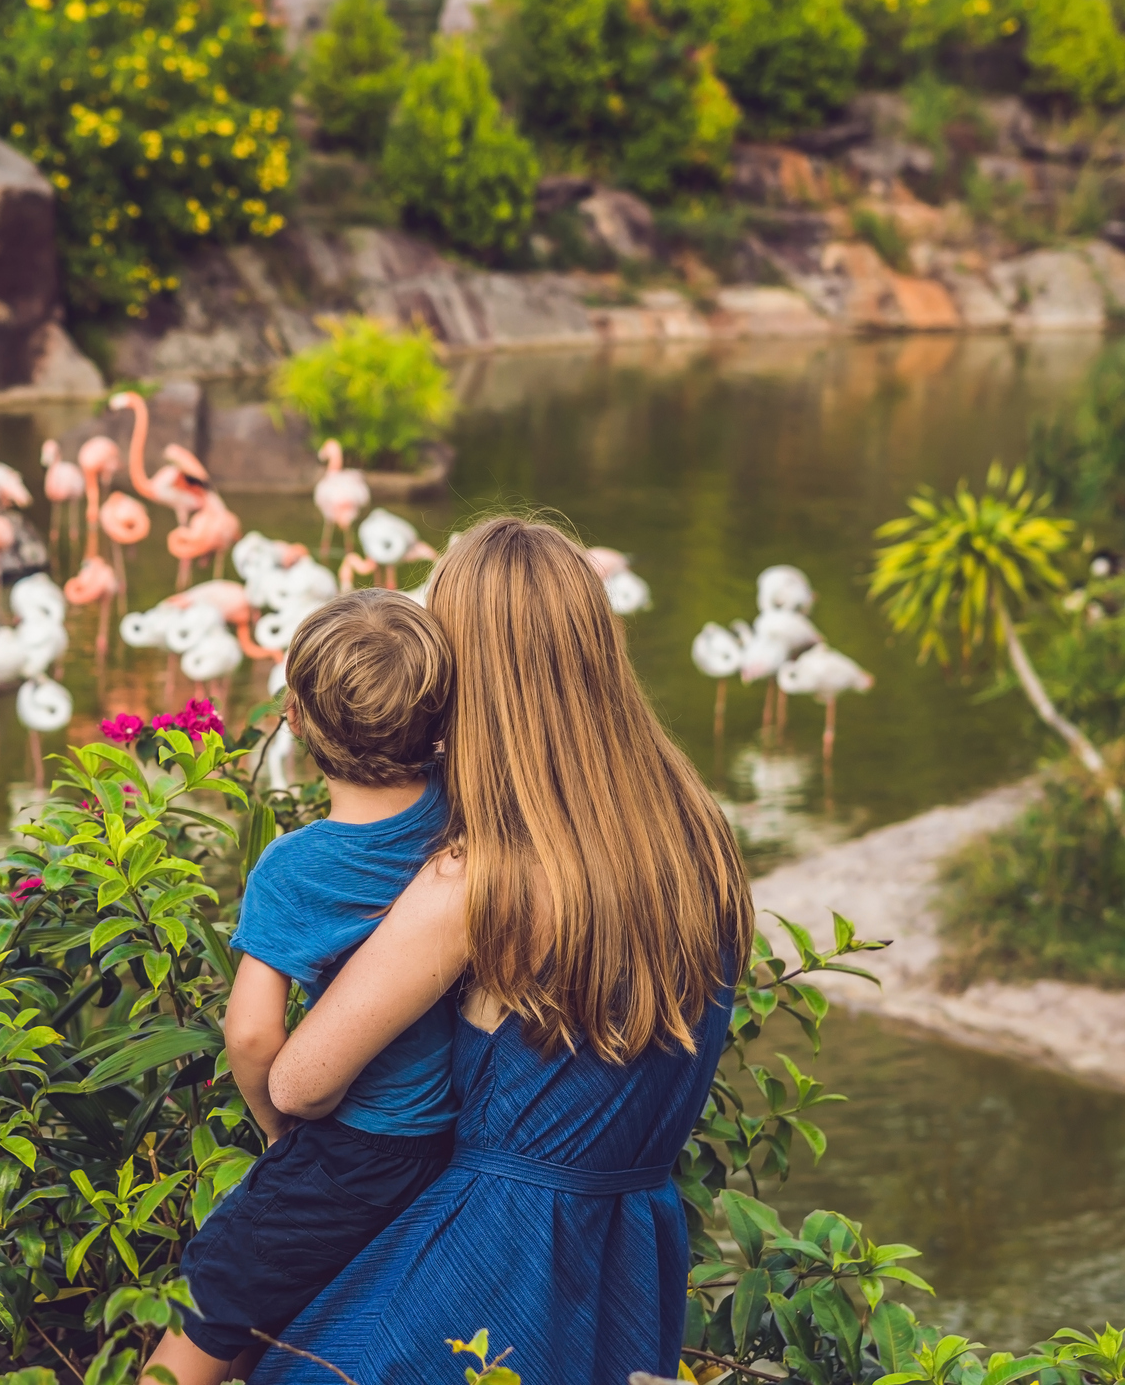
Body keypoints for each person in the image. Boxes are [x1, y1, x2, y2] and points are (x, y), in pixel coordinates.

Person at [254, 516, 755, 1385]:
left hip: (486, 1254)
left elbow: (298, 1080)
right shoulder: (697, 839)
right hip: (627, 1252)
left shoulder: (479, 877)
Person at [143, 588, 461, 1385]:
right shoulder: (459, 822)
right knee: (284, 1306)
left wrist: (278, 1136)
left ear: (294, 717)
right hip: (447, 1144)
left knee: (211, 1300)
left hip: (350, 1147)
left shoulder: (294, 867)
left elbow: (250, 1034)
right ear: (442, 723)